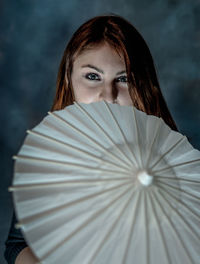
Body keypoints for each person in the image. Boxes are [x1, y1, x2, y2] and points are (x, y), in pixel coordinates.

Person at [4, 13, 178, 263]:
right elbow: (17, 244)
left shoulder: (168, 161)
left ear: (144, 85)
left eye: (124, 79)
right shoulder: (48, 157)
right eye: (93, 77)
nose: (108, 95)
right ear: (69, 80)